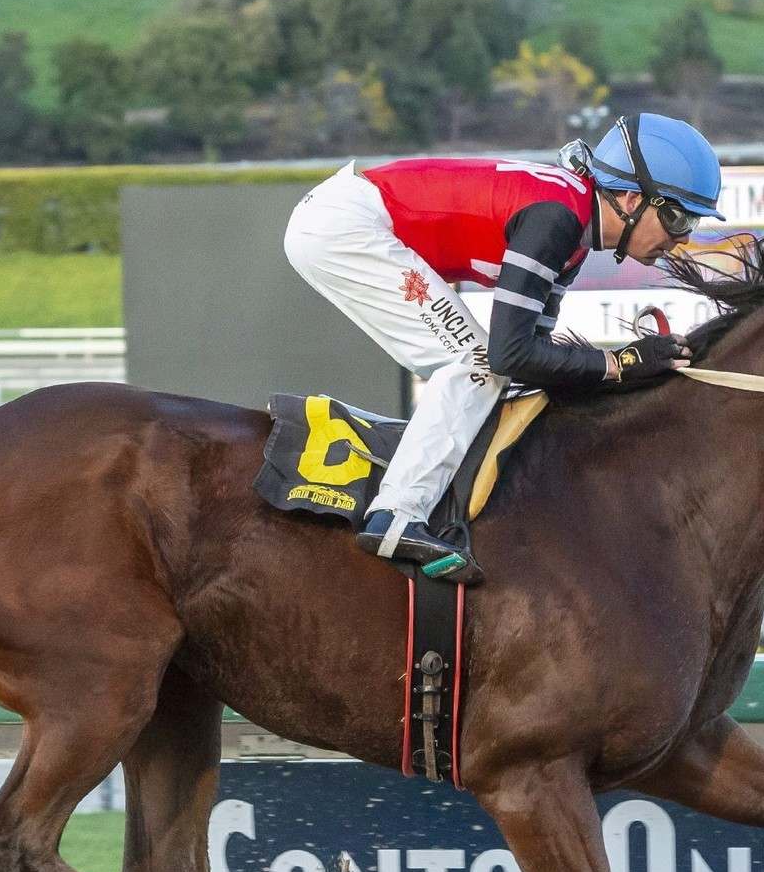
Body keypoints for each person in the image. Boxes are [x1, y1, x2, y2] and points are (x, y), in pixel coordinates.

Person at [283, 113, 725, 584]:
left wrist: (623, 368)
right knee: (475, 359)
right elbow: (508, 356)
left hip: (343, 217)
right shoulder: (557, 218)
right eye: (678, 216)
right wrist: (620, 364)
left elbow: (533, 360)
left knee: (488, 371)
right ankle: (394, 516)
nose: (683, 239)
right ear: (632, 198)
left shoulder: (573, 233)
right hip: (345, 226)